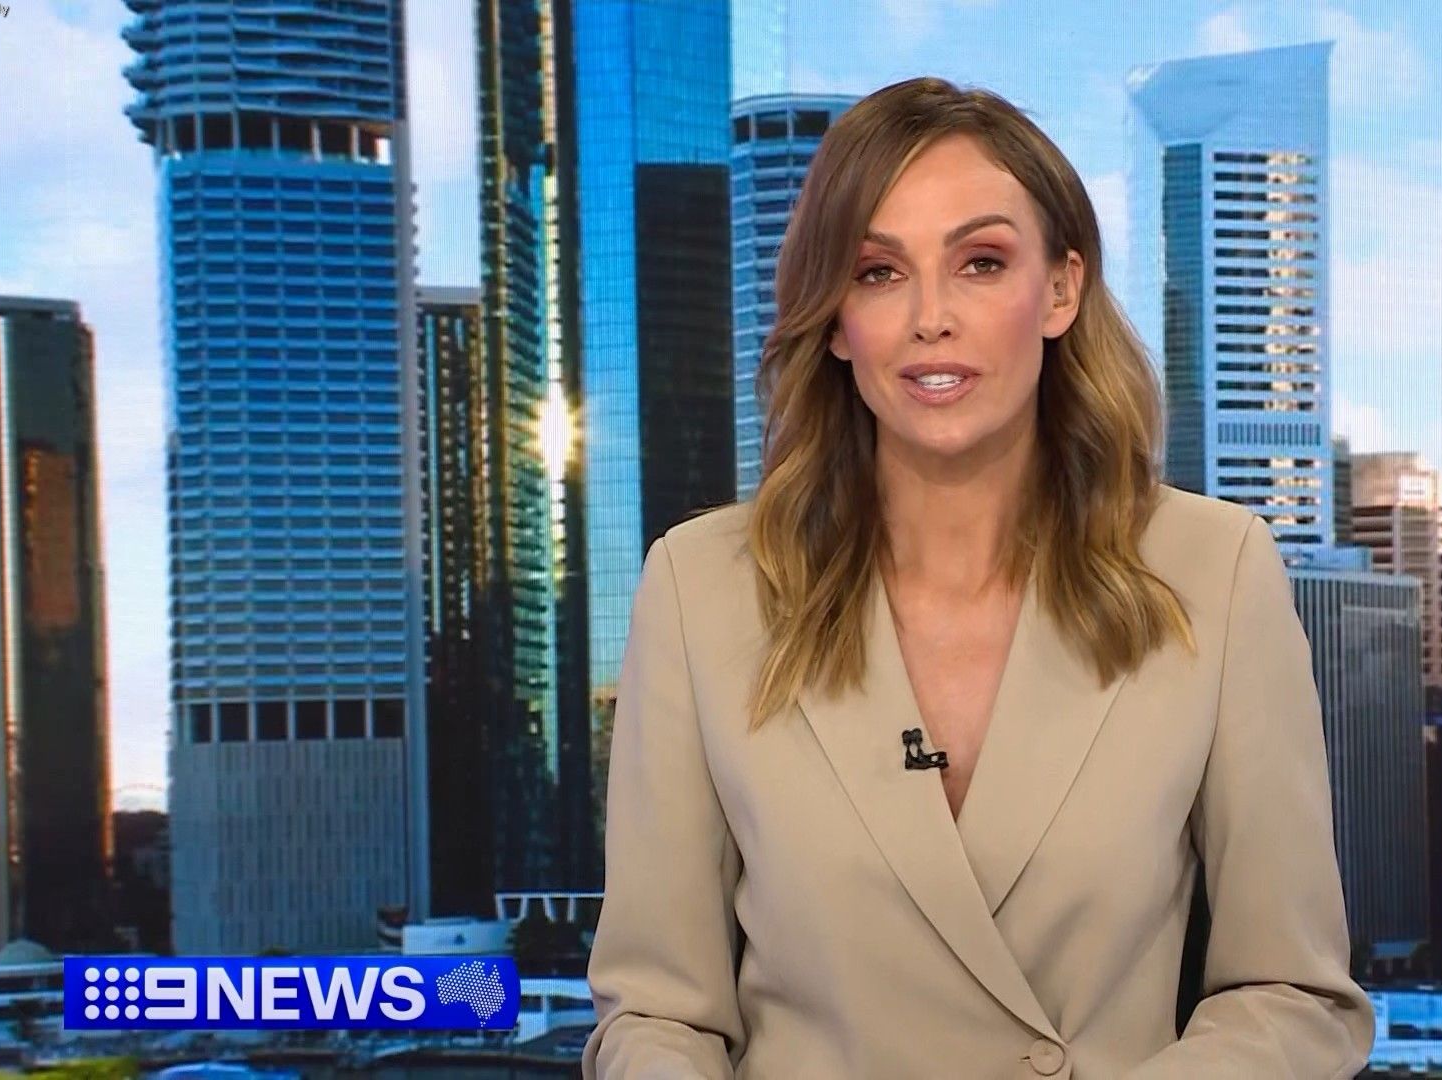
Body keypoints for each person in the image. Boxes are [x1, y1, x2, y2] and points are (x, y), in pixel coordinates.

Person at [580, 75, 1374, 1079]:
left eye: (981, 263)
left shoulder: (1213, 573)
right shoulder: (700, 590)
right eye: (878, 273)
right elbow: (657, 1014)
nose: (931, 318)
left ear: (1061, 290)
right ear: (836, 321)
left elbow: (1291, 997)